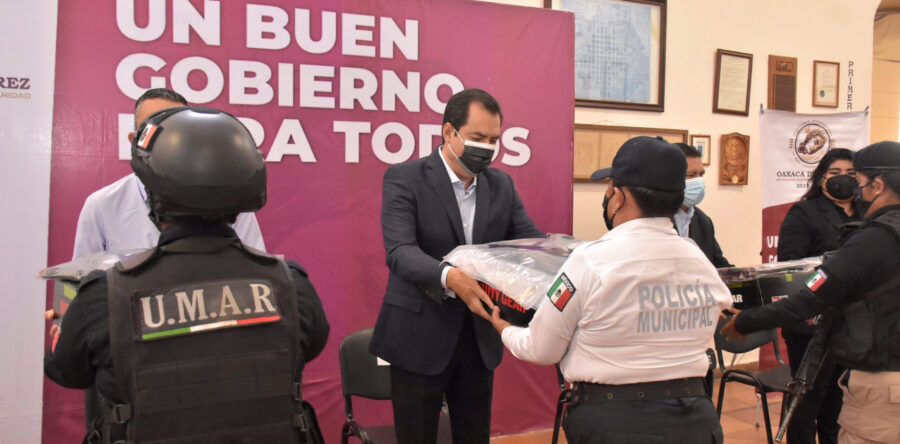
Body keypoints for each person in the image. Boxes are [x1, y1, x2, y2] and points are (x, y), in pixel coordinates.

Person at [45, 107, 329, 443]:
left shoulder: (104, 296)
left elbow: (67, 369)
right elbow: (311, 346)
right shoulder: (290, 284)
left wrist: (61, 327)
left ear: (154, 196)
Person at [491, 136, 732, 444]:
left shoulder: (590, 262)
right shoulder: (698, 260)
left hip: (615, 423)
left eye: (608, 187)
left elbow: (542, 349)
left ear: (618, 197)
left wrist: (503, 329)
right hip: (695, 420)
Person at [370, 88, 543, 444]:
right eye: (478, 137)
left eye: (494, 139)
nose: (488, 147)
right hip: (418, 335)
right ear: (449, 132)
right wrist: (451, 277)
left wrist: (559, 251)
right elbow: (400, 250)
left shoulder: (501, 185)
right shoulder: (405, 178)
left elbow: (528, 242)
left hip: (478, 338)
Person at [722, 141, 900, 444]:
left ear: (878, 185)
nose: (855, 188)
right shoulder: (819, 217)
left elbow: (812, 295)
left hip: (881, 379)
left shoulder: (873, 239)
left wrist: (746, 321)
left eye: (858, 180)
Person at [72, 88, 266, 258]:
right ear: (135, 141)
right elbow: (79, 282)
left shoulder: (228, 200)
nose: (165, 141)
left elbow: (256, 272)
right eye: (156, 132)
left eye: (177, 130)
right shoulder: (101, 206)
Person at [775, 148, 861, 444]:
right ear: (821, 177)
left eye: (851, 174)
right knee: (808, 399)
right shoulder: (805, 212)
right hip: (811, 324)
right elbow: (789, 266)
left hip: (852, 323)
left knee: (838, 400)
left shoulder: (868, 212)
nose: (843, 180)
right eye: (835, 173)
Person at [674, 143, 733, 268]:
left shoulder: (703, 221)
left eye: (701, 174)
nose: (699, 180)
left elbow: (719, 266)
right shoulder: (653, 218)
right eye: (691, 175)